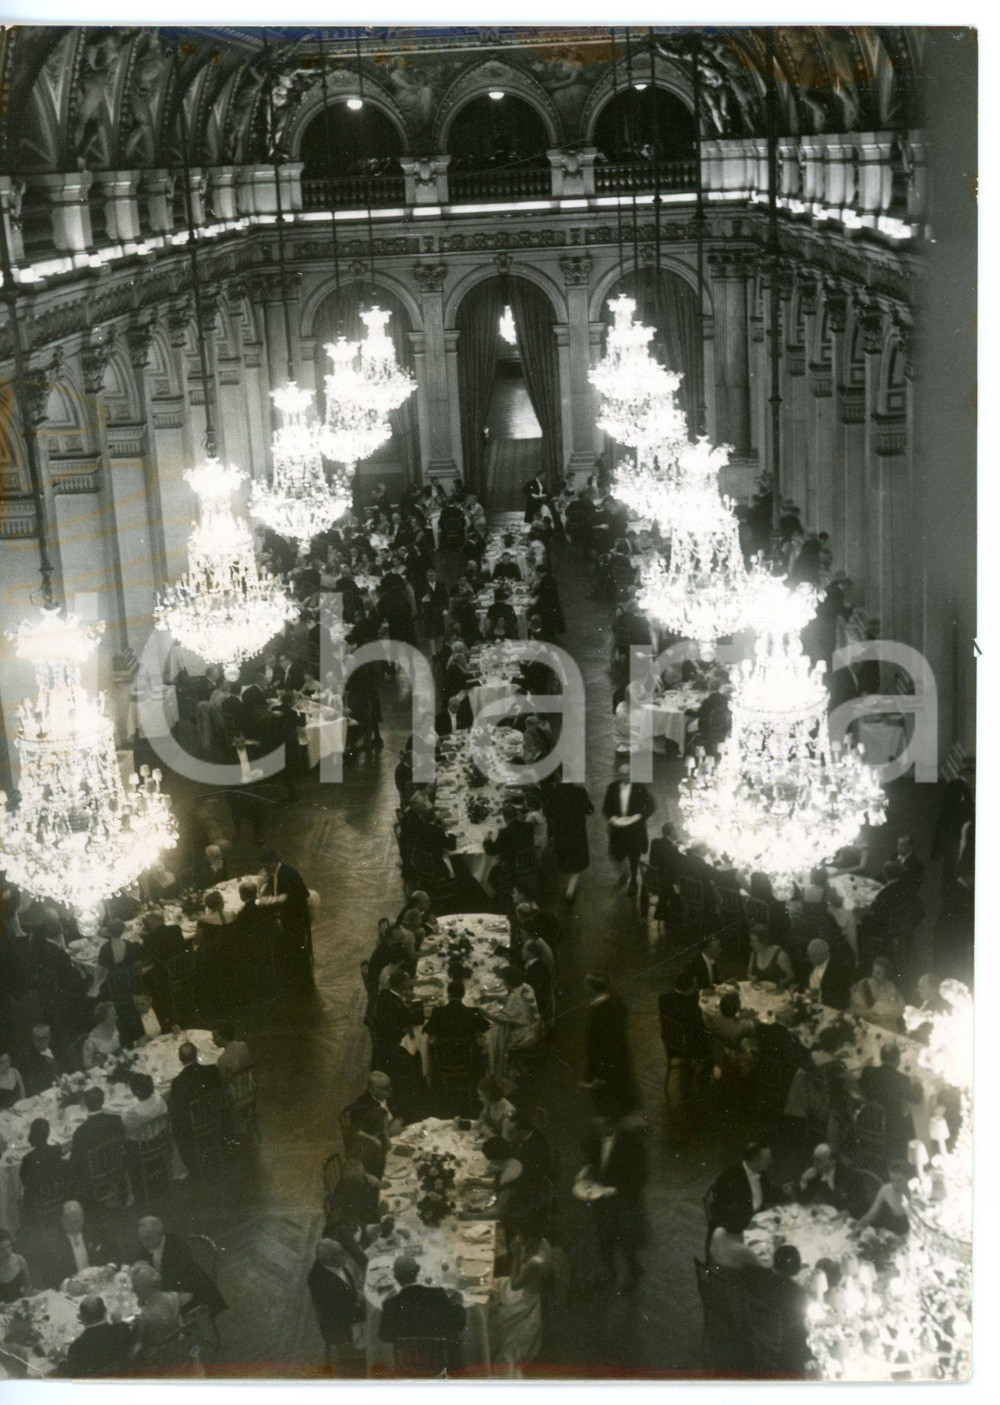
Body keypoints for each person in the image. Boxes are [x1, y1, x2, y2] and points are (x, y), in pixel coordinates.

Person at [578, 1110, 649, 1295]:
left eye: (603, 1126)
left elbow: (641, 1177)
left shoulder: (632, 1145)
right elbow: (595, 1160)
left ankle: (633, 1273)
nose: (599, 1130)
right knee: (604, 1240)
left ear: (613, 1126)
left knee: (626, 1242)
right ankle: (609, 1275)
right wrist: (587, 1169)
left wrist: (614, 1191)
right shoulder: (598, 1138)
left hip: (624, 1205)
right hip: (603, 1205)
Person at [489, 1227, 552, 1376]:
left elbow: (515, 1285)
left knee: (494, 1317)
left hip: (524, 1299)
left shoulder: (534, 1263)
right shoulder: (543, 1243)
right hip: (526, 1289)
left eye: (519, 1234)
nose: (517, 1237)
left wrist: (516, 1255)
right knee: (492, 1286)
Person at [136, 1215, 227, 1317]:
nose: (143, 1243)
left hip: (191, 1291)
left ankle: (180, 1329)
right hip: (168, 1293)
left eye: (147, 1238)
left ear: (159, 1234)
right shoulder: (147, 1246)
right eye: (141, 1238)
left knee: (153, 1315)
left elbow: (177, 1278)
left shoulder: (176, 1245)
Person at [378, 1254, 467, 1346]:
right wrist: (457, 1303)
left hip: (408, 1358)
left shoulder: (390, 1304)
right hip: (440, 1357)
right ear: (417, 1270)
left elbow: (384, 1336)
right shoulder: (437, 1293)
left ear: (395, 1277)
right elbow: (459, 1324)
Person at [582, 972, 638, 1113]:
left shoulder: (598, 1010)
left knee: (609, 1094)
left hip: (606, 1059)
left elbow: (594, 1042)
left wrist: (592, 1073)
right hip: (619, 1054)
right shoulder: (617, 1003)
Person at [307, 1238, 366, 1372]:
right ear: (330, 1260)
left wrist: (356, 1294)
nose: (345, 1257)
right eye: (341, 1255)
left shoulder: (332, 1262)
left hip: (348, 1305)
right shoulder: (319, 1280)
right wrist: (358, 1301)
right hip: (339, 1321)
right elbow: (338, 1309)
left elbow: (347, 1287)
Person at [259, 849, 313, 989]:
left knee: (293, 945)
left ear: (273, 863)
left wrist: (277, 900)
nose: (264, 870)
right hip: (291, 915)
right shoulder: (281, 872)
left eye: (265, 866)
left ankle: (300, 979)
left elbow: (302, 894)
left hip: (295, 917)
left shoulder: (287, 874)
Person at [601, 761, 656, 895]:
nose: (624, 777)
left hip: (634, 831)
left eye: (627, 774)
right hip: (618, 831)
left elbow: (651, 806)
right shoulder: (612, 788)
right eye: (621, 774)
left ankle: (633, 883)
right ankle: (624, 874)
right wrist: (614, 819)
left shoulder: (640, 788)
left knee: (633, 858)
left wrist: (638, 817)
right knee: (616, 855)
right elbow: (606, 807)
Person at [169, 1041, 224, 1173]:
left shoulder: (178, 1082)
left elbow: (176, 1111)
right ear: (196, 1055)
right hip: (214, 1113)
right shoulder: (212, 1070)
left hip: (195, 1122)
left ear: (180, 1059)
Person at [859, 1043, 921, 1155]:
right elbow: (917, 1100)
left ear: (881, 1057)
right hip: (891, 1125)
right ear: (898, 1060)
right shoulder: (903, 1079)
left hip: (867, 1117)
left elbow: (861, 1086)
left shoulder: (867, 1071)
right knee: (912, 1118)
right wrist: (918, 1084)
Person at [69, 1088, 126, 1202]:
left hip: (94, 1172)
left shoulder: (80, 1132)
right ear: (103, 1101)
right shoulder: (116, 1119)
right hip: (116, 1162)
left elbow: (74, 1162)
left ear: (85, 1105)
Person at [542, 777, 593, 901]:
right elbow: (590, 810)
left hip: (561, 832)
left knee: (565, 858)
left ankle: (568, 884)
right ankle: (570, 889)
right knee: (577, 862)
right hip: (577, 832)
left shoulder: (553, 793)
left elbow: (546, 812)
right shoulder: (580, 791)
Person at [709, 1144, 785, 1226]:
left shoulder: (760, 1172)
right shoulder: (732, 1176)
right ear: (756, 1161)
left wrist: (784, 1191)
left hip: (755, 1217)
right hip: (737, 1224)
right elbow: (725, 1210)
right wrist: (755, 1221)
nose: (771, 1161)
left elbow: (766, 1194)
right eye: (767, 1159)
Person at [486, 966, 541, 1078]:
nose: (503, 982)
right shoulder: (526, 987)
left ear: (508, 981)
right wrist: (494, 996)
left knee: (492, 1036)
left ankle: (500, 1071)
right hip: (533, 1027)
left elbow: (501, 1018)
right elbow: (512, 999)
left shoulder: (514, 999)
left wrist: (483, 1012)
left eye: (504, 979)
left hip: (521, 1037)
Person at [96, 920, 144, 1046]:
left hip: (114, 989)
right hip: (130, 987)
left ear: (109, 933)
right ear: (122, 931)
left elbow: (101, 970)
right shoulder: (129, 945)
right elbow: (135, 962)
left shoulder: (105, 949)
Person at [60, 1295, 133, 1377]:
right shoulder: (122, 1330)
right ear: (105, 1312)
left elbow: (75, 1377)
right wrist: (118, 1323)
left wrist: (60, 1362)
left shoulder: (76, 1348)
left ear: (81, 1317)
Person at [129, 1260, 189, 1355]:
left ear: (144, 1287)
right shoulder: (174, 1296)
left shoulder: (146, 1314)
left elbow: (139, 1343)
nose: (133, 1290)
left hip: (165, 1359)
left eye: (135, 1286)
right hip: (183, 1350)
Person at [19, 1118, 68, 1223]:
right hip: (58, 1192)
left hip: (38, 1199)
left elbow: (24, 1181)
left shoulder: (28, 1158)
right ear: (48, 1133)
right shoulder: (56, 1150)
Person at [850, 957, 906, 1031]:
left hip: (881, 1026)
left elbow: (895, 1012)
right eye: (874, 971)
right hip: (860, 1022)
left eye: (879, 973)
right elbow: (853, 1002)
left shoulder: (892, 990)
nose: (875, 975)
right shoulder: (864, 983)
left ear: (886, 974)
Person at [858, 1161, 911, 1236]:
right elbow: (871, 1214)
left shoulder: (914, 1194)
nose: (895, 1185)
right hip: (890, 1232)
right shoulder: (886, 1189)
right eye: (892, 1179)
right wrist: (860, 1225)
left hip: (908, 1235)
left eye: (899, 1180)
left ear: (907, 1178)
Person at [796, 1143, 854, 1212]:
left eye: (818, 1160)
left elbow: (859, 1203)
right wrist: (803, 1179)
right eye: (813, 1159)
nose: (814, 1163)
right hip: (826, 1215)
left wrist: (848, 1212)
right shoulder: (816, 1173)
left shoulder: (846, 1174)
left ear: (832, 1161)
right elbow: (803, 1200)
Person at [805, 937, 855, 1010]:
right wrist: (809, 1003)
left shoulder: (837, 969)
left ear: (823, 954)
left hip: (833, 1008)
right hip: (817, 1007)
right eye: (809, 955)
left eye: (813, 955)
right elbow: (813, 994)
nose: (810, 958)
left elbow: (842, 996)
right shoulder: (813, 967)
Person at [18, 1021, 64, 1096]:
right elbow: (34, 1086)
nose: (40, 1042)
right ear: (32, 1038)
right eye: (37, 1039)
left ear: (49, 1037)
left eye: (44, 1038)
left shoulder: (57, 1049)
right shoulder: (28, 1057)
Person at [121, 1072, 168, 1143]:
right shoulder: (159, 1099)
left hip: (144, 1143)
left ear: (134, 1092)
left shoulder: (131, 1113)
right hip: (161, 1136)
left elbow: (127, 1131)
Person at [81, 1001, 122, 1069]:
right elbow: (87, 1064)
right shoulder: (92, 1039)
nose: (117, 1016)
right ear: (106, 1019)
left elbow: (118, 1050)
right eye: (114, 1015)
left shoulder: (114, 1028)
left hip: (117, 1066)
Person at [477, 1075, 516, 1139]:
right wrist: (481, 1121)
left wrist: (486, 1131)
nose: (479, 1098)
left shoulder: (509, 1111)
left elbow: (505, 1142)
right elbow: (482, 1116)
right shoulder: (490, 1104)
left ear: (489, 1096)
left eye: (481, 1096)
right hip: (493, 1139)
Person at [0, 1227, 32, 1302]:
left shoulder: (20, 1259)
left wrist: (22, 1301)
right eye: (2, 1250)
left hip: (22, 1301)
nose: (8, 1252)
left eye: (9, 1246)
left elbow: (29, 1286)